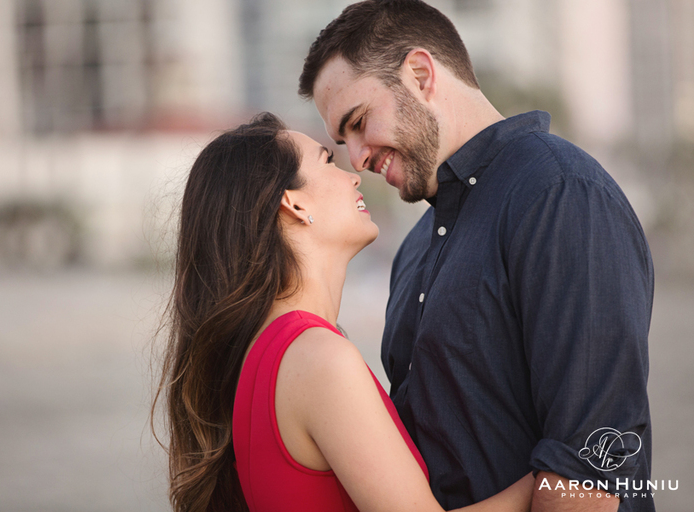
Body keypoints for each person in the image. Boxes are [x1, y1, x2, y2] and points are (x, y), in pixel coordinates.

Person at [298, 1, 654, 511]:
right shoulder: (416, 247)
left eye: (359, 122)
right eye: (341, 141)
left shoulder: (560, 194)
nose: (358, 159)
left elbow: (589, 468)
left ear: (420, 75)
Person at [151, 112, 535, 511]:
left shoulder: (263, 354)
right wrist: (559, 472)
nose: (354, 174)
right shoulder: (318, 359)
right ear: (294, 203)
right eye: (327, 161)